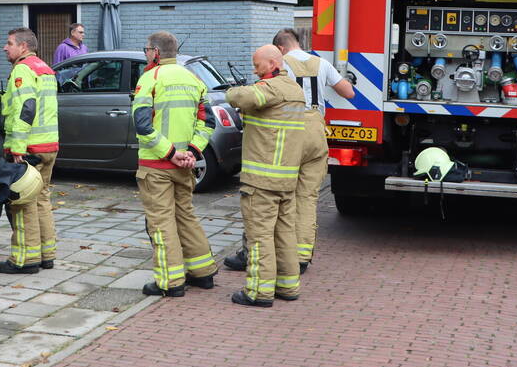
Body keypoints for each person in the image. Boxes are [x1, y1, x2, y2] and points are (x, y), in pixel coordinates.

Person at [226, 28, 354, 275]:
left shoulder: (280, 67)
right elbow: (348, 92)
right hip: (317, 131)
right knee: (307, 197)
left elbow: (259, 97)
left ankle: (253, 253)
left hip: (289, 130)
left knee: (269, 190)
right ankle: (302, 256)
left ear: (280, 50)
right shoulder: (321, 62)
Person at [131, 31, 218, 297]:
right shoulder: (194, 78)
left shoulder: (149, 79)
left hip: (157, 166)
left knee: (161, 222)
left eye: (147, 49)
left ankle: (170, 282)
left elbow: (143, 126)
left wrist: (169, 153)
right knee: (186, 217)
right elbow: (208, 123)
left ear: (155, 52)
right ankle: (202, 274)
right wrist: (191, 151)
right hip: (185, 166)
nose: (146, 53)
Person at [224, 44, 306, 307]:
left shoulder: (269, 89)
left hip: (261, 180)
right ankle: (288, 286)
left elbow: (243, 98)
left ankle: (258, 292)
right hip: (286, 178)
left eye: (258, 65)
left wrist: (229, 91)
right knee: (284, 234)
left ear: (273, 64)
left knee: (259, 237)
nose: (255, 70)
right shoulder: (295, 89)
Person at [0, 28, 60, 274]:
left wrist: (18, 148)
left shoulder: (23, 69)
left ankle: (25, 259)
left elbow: (27, 108)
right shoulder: (45, 68)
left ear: (23, 47)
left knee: (22, 203)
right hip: (48, 145)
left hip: (29, 148)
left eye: (9, 43)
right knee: (41, 199)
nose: (5, 47)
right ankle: (47, 254)